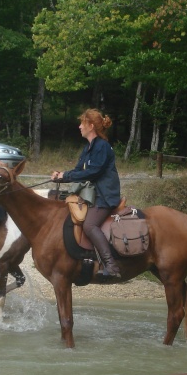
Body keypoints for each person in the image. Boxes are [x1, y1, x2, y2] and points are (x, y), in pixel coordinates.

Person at [51, 108, 122, 278]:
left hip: (104, 196)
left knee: (89, 225)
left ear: (91, 126)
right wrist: (61, 176)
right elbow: (78, 170)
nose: (79, 127)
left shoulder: (102, 146)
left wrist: (66, 176)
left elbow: (93, 172)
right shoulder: (88, 148)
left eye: (82, 123)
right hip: (92, 195)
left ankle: (111, 265)